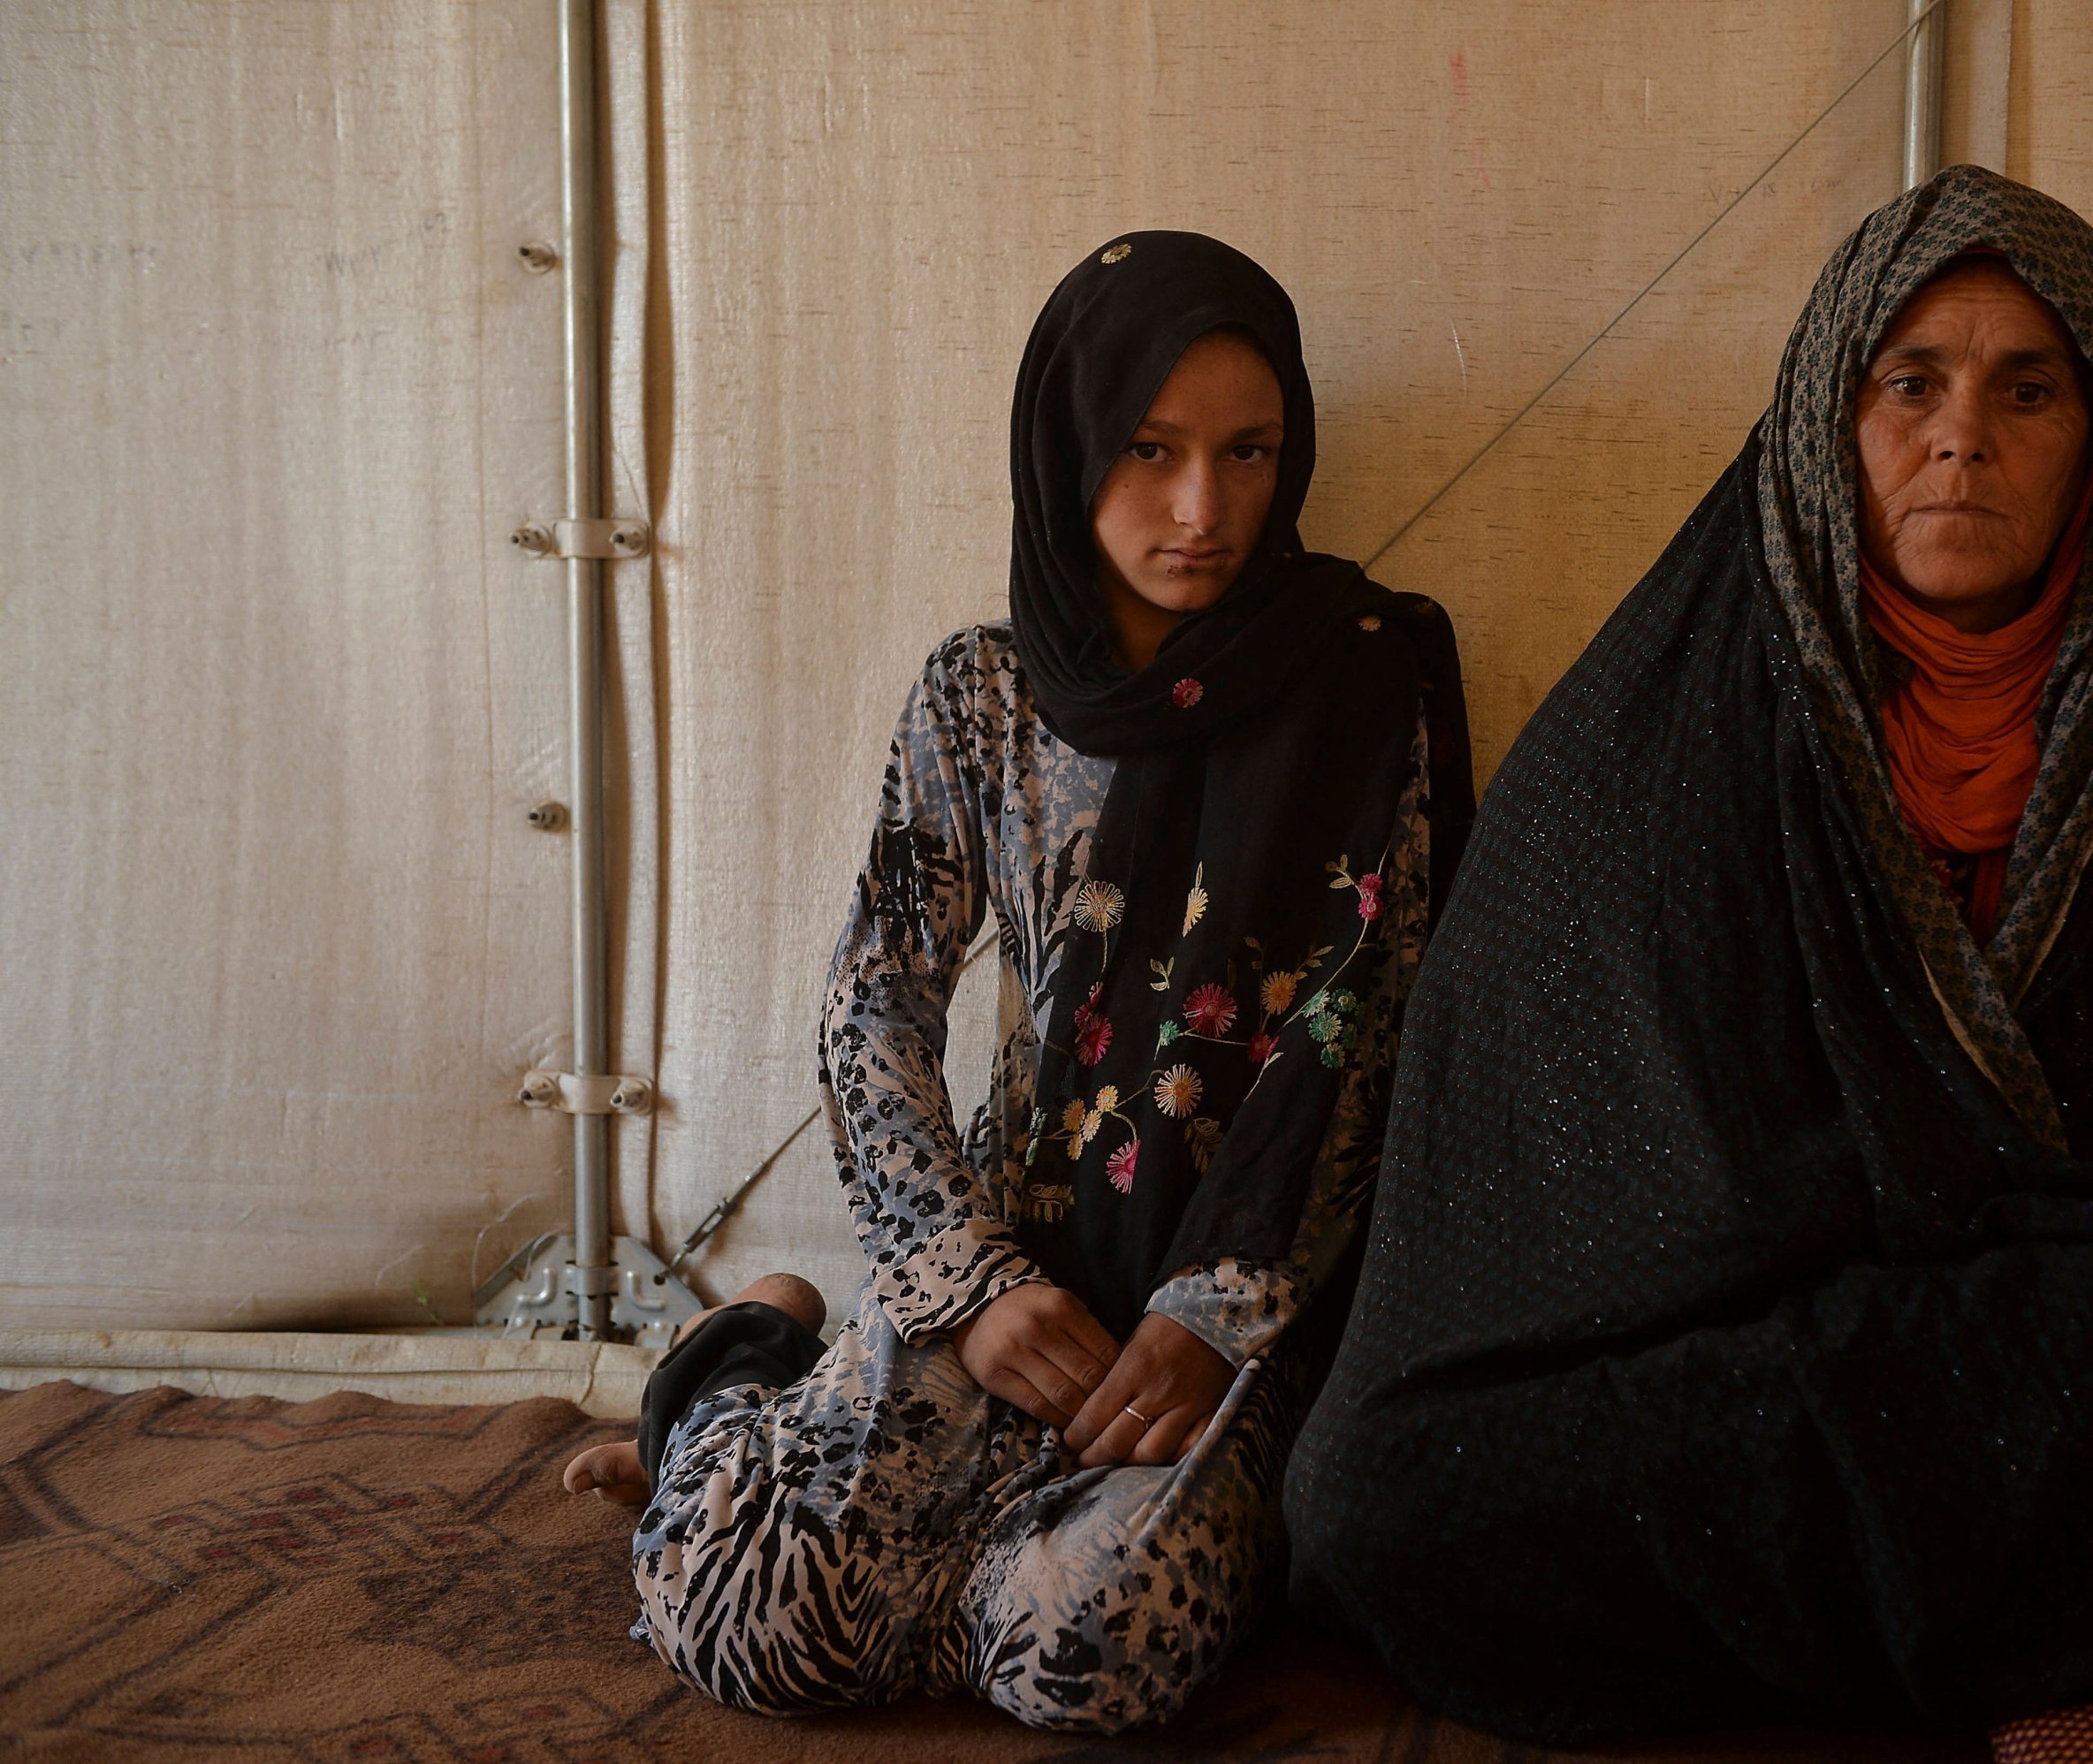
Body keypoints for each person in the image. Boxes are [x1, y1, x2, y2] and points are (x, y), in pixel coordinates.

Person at [1282, 166, 2093, 1745]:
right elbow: (1546, 1217)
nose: (1961, 435)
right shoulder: (1656, 720)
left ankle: (1824, 1640)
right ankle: (2015, 1626)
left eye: (2026, 390)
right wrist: (1872, 1248)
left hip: (1989, 1341)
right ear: (1826, 426)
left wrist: (1977, 1268)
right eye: (1909, 382)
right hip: (1745, 1357)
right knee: (1379, 1502)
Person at [561, 231, 1472, 1731]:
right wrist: (963, 1282)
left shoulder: (1361, 680)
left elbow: (1372, 1026)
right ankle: (742, 1363)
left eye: (1250, 452)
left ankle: (931, 1497)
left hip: (1244, 1283)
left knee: (1089, 1647)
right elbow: (878, 1001)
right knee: (750, 1618)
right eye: (1150, 449)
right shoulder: (980, 695)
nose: (1204, 509)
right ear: (1065, 445)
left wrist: (1217, 1312)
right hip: (1006, 1248)